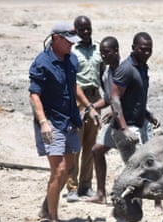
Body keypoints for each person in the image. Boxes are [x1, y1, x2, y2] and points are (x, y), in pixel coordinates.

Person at [29, 21, 100, 222]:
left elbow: (74, 85)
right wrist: (43, 123)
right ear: (56, 39)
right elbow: (34, 95)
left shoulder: (71, 59)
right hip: (52, 122)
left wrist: (90, 107)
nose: (72, 45)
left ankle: (46, 206)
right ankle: (53, 219)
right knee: (58, 170)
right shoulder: (42, 63)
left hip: (70, 120)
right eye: (68, 41)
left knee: (68, 169)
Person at [85, 33, 160, 207]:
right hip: (124, 125)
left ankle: (152, 201)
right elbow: (114, 98)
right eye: (143, 49)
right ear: (133, 48)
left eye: (150, 50)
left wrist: (148, 114)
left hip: (132, 122)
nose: (147, 53)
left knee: (142, 164)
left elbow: (134, 97)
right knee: (131, 164)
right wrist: (123, 127)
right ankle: (106, 196)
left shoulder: (141, 67)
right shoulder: (123, 69)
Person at [66, 15, 104, 202]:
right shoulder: (71, 51)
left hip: (95, 99)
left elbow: (104, 75)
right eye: (82, 29)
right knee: (75, 145)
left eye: (88, 28)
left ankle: (86, 186)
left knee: (91, 145)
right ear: (75, 30)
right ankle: (72, 187)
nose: (86, 32)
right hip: (77, 100)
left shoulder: (99, 49)